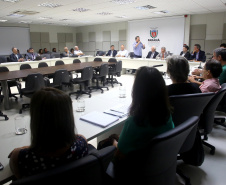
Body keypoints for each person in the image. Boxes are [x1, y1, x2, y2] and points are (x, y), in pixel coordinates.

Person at [8, 87, 88, 179]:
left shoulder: (20, 157)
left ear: (35, 118)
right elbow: (72, 137)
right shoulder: (82, 143)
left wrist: (24, 149)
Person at [113, 66, 174, 157]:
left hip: (132, 168)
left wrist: (113, 142)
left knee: (108, 141)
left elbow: (120, 153)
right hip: (157, 163)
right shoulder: (167, 115)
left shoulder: (134, 122)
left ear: (137, 91)